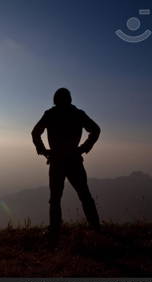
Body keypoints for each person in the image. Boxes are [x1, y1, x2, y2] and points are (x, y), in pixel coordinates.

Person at [31, 88, 101, 242]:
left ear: (55, 100)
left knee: (55, 198)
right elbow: (95, 130)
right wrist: (83, 149)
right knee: (85, 195)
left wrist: (44, 151)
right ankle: (96, 227)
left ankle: (55, 230)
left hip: (56, 161)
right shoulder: (78, 114)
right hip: (74, 160)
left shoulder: (50, 114)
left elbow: (35, 132)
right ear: (69, 99)